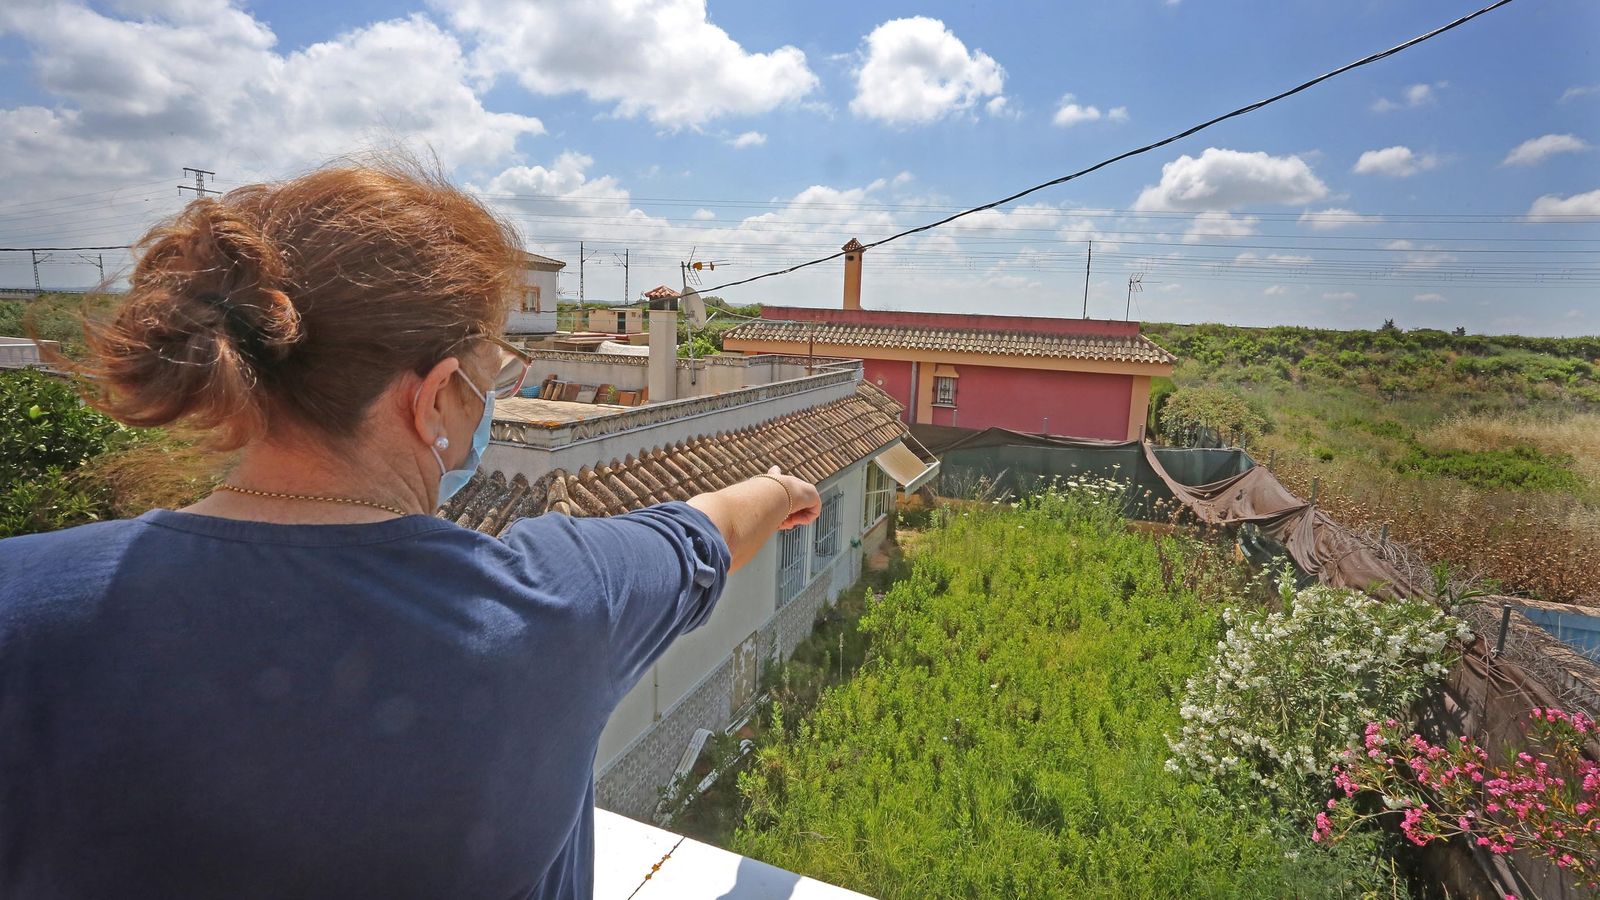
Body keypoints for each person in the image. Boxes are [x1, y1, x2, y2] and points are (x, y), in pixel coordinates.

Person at [0, 163, 820, 899]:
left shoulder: (23, 600)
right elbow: (703, 532)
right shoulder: (552, 601)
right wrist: (782, 485)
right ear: (430, 401)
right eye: (493, 377)